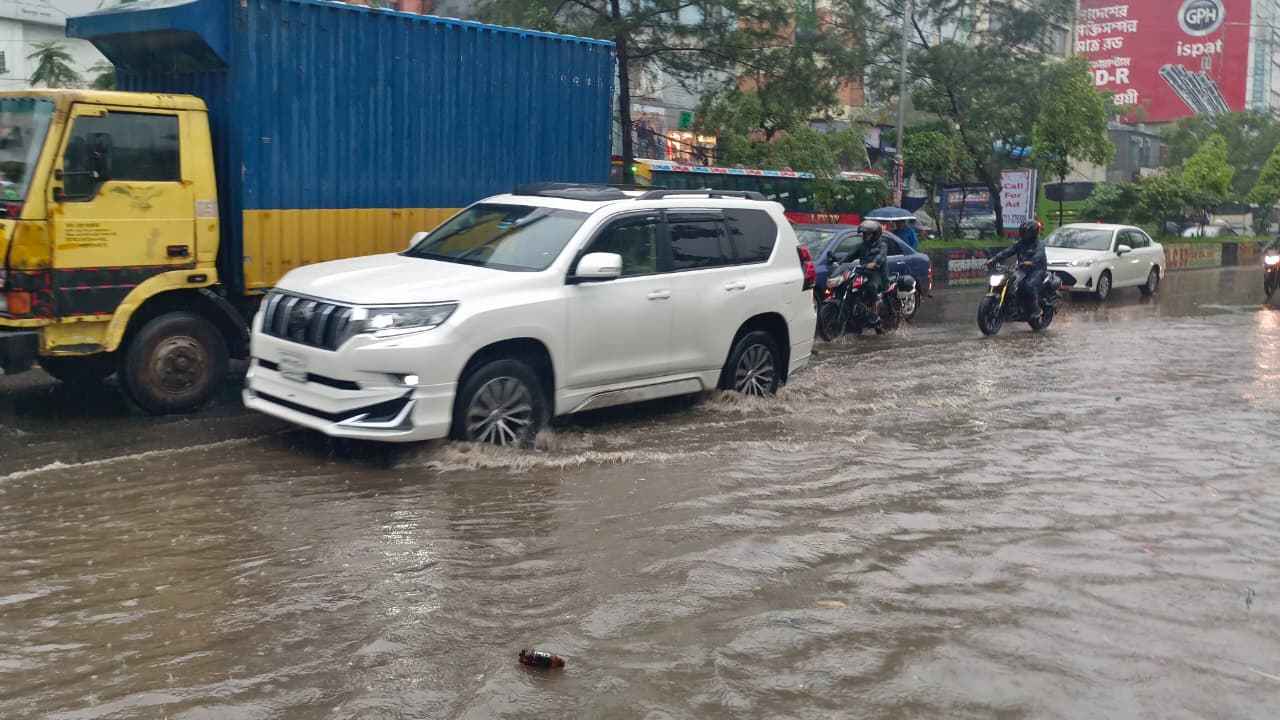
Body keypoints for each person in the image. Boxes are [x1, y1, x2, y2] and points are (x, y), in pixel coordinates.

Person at [987, 220, 1047, 321]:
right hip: (1022, 269)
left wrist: (1031, 261)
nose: (1024, 235)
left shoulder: (1039, 244)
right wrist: (994, 259)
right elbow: (1008, 251)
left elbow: (1039, 255)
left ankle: (1036, 310)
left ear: (1033, 233)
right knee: (1009, 282)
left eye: (1026, 232)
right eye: (1023, 232)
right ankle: (1010, 307)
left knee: (1028, 286)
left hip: (1037, 270)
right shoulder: (1020, 244)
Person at [855, 220, 890, 327]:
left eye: (867, 234)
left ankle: (875, 312)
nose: (864, 236)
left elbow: (881, 256)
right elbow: (851, 255)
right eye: (863, 234)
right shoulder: (863, 246)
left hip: (878, 275)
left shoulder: (882, 245)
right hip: (864, 273)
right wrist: (837, 259)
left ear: (875, 234)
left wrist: (874, 263)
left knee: (870, 286)